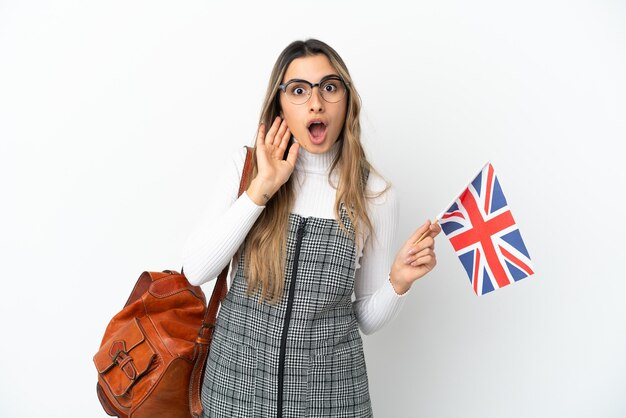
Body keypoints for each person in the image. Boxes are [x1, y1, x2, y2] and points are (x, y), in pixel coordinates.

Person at [182, 38, 441, 418]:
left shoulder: (375, 194)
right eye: (299, 90)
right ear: (280, 105)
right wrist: (261, 190)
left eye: (329, 87)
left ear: (347, 100)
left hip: (330, 399)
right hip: (235, 391)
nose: (316, 102)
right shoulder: (246, 169)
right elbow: (195, 270)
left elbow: (366, 320)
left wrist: (398, 281)